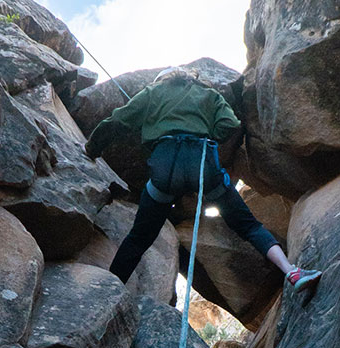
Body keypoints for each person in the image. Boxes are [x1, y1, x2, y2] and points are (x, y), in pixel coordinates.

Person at [85, 68, 322, 289]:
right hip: (203, 164)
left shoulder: (153, 92)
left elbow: (117, 120)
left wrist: (93, 148)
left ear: (164, 79)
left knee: (139, 238)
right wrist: (209, 136)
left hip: (166, 167)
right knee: (249, 226)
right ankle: (291, 271)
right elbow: (230, 123)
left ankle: (110, 288)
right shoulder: (209, 95)